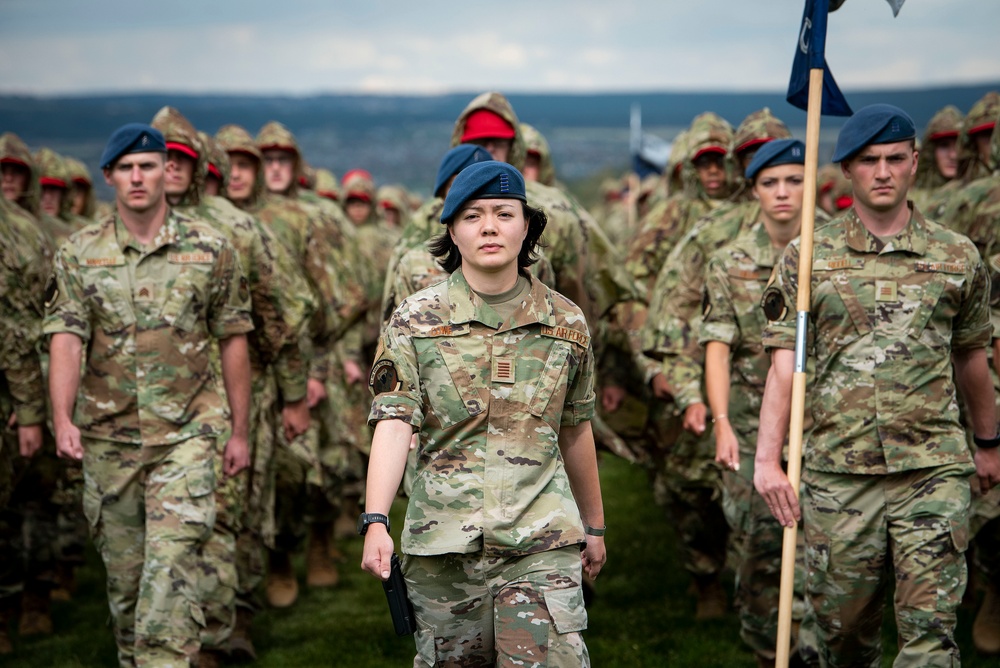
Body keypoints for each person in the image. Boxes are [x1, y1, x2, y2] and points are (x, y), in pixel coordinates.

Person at [754, 104, 1000, 666]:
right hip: (839, 473)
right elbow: (783, 365)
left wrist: (988, 443)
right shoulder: (808, 257)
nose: (883, 171)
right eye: (869, 161)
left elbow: (972, 360)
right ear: (847, 170)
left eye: (895, 158)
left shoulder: (957, 256)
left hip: (932, 468)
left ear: (915, 163)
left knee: (931, 638)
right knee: (843, 636)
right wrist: (768, 461)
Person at [362, 161, 606, 666]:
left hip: (540, 539)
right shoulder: (414, 320)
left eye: (504, 213)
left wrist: (595, 526)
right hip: (443, 549)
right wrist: (376, 520)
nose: (490, 226)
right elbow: (392, 420)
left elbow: (576, 428)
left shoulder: (566, 322)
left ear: (527, 226)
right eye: (472, 215)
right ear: (452, 230)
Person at [43, 123, 254, 667]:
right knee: (127, 581)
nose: (138, 177)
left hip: (188, 433)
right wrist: (61, 418)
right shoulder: (78, 253)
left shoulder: (211, 251)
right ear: (109, 176)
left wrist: (239, 430)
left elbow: (233, 339)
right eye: (127, 168)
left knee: (172, 565)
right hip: (109, 438)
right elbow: (66, 337)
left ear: (168, 173)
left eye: (149, 166)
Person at [700, 139, 813, 666]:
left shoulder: (828, 255)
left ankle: (812, 647)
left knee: (823, 551)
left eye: (794, 180)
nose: (783, 192)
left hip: (820, 424)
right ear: (754, 191)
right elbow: (717, 348)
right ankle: (769, 652)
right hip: (750, 420)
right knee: (760, 546)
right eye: (770, 183)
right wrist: (722, 423)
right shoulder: (730, 262)